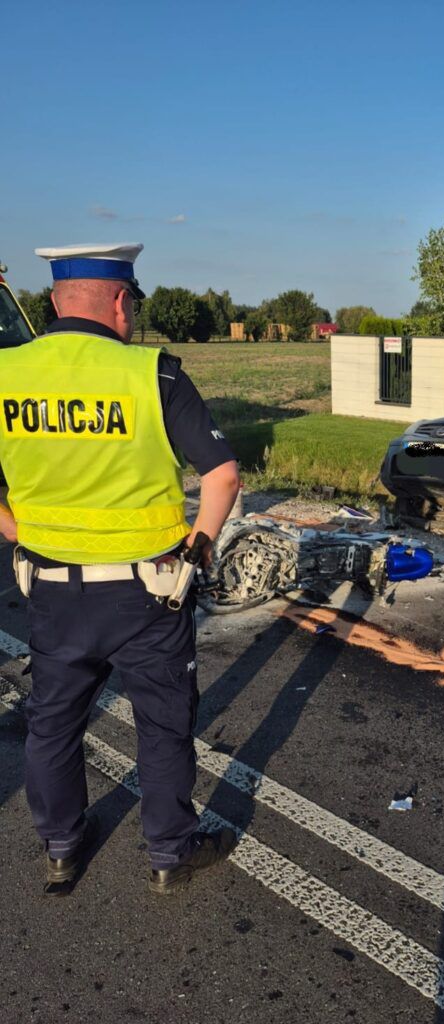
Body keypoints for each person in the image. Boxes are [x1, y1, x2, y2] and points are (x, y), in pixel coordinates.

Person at [0, 243, 241, 896]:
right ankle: (169, 854)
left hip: (51, 590)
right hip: (148, 594)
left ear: (53, 301)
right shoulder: (151, 374)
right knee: (162, 727)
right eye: (131, 303)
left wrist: (18, 530)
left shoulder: (5, 374)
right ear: (118, 301)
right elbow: (221, 474)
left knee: (52, 725)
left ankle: (60, 847)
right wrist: (199, 548)